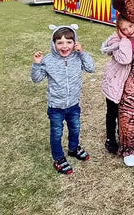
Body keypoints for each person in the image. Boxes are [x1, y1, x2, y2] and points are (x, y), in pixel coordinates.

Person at [31, 24, 95, 175]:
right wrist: (36, 64)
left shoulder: (77, 57)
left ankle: (73, 148)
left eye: (69, 42)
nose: (64, 46)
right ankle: (59, 158)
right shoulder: (48, 60)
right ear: (53, 44)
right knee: (56, 133)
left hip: (73, 104)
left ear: (75, 43)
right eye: (60, 42)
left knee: (75, 128)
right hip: (56, 107)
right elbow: (36, 79)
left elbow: (91, 68)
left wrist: (83, 53)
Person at [100, 14, 134, 159]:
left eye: (130, 26)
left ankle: (122, 135)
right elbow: (125, 59)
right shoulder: (119, 41)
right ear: (119, 30)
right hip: (115, 82)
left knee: (125, 111)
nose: (128, 30)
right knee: (112, 112)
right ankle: (110, 138)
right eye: (124, 28)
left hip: (127, 83)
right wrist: (124, 40)